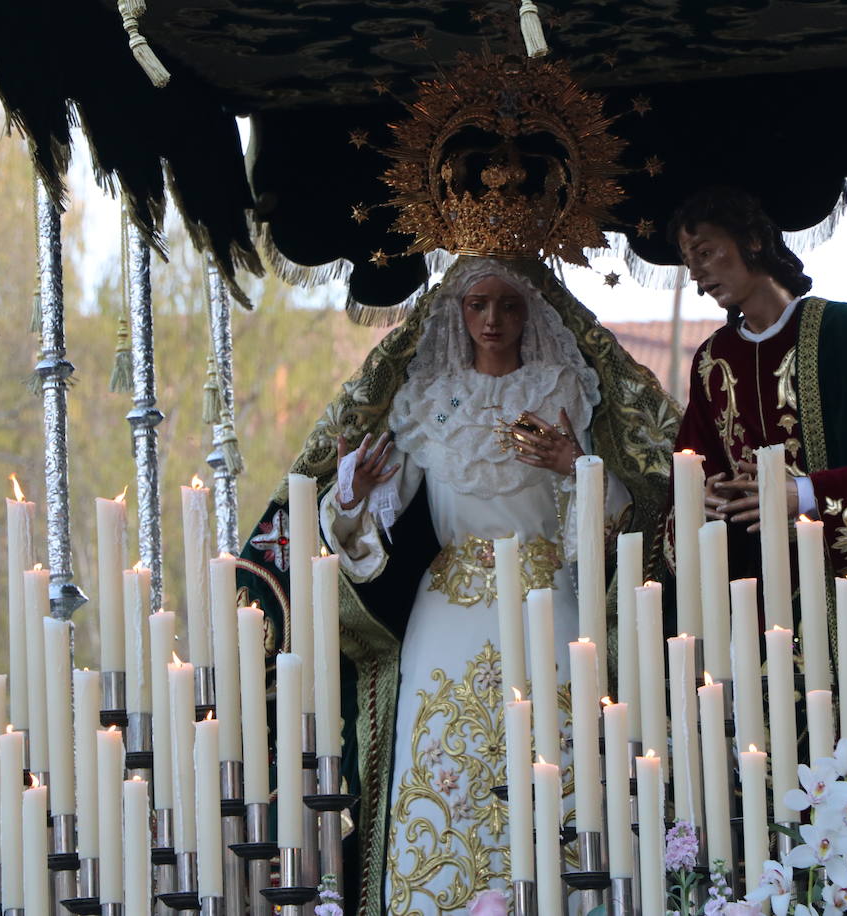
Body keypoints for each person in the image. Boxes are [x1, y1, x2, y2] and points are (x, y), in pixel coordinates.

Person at [238, 256, 679, 914]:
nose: (493, 319)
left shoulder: (560, 389)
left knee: (557, 756)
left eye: (507, 304)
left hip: (545, 599)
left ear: (529, 313)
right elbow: (372, 513)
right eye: (478, 305)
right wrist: (351, 497)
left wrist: (574, 465)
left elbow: (610, 524)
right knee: (444, 758)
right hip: (449, 607)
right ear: (458, 314)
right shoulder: (429, 402)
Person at [667, 186, 847, 643]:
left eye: (706, 252)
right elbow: (691, 471)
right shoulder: (711, 362)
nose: (698, 273)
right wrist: (706, 498)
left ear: (752, 241)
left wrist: (805, 494)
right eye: (690, 262)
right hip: (763, 618)